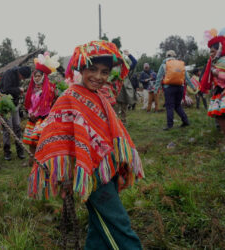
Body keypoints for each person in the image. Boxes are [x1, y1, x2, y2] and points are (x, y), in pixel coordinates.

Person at [28, 41, 144, 249]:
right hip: (91, 175)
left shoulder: (99, 96)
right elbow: (54, 137)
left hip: (108, 169)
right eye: (93, 70)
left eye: (104, 72)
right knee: (119, 226)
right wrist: (65, 174)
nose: (98, 77)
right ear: (81, 68)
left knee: (98, 227)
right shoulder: (69, 98)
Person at [23, 52, 58, 167]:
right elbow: (30, 104)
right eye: (35, 76)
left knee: (40, 139)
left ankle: (43, 160)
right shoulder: (32, 89)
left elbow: (51, 103)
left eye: (39, 76)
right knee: (31, 141)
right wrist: (31, 114)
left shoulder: (50, 88)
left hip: (44, 117)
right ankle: (32, 161)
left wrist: (38, 114)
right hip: (32, 118)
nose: (37, 78)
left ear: (43, 76)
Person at [200, 29, 225, 143]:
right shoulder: (215, 62)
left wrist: (217, 73)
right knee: (219, 116)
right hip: (218, 91)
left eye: (213, 51)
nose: (211, 54)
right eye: (210, 52)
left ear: (219, 49)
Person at [154, 50, 196, 130]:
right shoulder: (180, 64)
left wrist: (156, 89)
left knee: (169, 106)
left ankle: (169, 125)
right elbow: (186, 76)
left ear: (167, 56)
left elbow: (159, 77)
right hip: (180, 87)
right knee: (177, 105)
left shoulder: (164, 63)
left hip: (169, 88)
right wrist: (192, 86)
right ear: (174, 56)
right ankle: (185, 121)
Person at [0, 66, 31, 160]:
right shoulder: (9, 74)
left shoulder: (18, 75)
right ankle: (7, 152)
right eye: (23, 77)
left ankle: (20, 150)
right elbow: (7, 89)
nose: (23, 79)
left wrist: (18, 93)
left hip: (15, 104)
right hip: (6, 104)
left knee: (17, 126)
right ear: (20, 73)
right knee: (7, 128)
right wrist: (19, 90)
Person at [115, 50, 138, 124]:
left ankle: (123, 121)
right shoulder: (113, 68)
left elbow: (134, 62)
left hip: (125, 90)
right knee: (115, 107)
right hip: (116, 90)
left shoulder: (126, 69)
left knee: (124, 107)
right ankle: (115, 122)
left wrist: (129, 55)